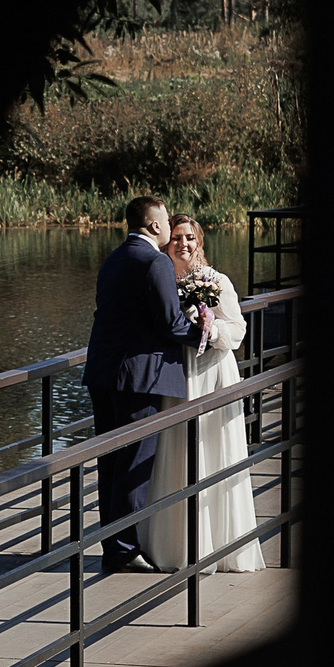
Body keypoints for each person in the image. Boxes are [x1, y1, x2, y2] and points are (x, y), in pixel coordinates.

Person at [83, 195, 211, 573]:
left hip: (103, 374)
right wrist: (203, 335)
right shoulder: (155, 261)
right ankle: (124, 550)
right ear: (155, 225)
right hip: (140, 378)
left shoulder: (113, 258)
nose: (170, 225)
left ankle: (113, 544)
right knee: (134, 464)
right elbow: (170, 322)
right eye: (167, 220)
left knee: (110, 463)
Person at [149, 215, 264, 573]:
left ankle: (223, 546)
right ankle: (179, 547)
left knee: (215, 449)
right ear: (166, 243)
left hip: (213, 373)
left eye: (189, 238)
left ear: (199, 242)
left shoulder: (216, 280)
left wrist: (210, 331)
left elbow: (237, 330)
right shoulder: (160, 281)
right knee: (179, 451)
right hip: (177, 376)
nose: (182, 244)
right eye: (176, 238)